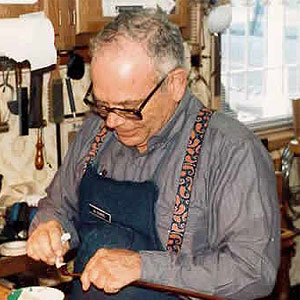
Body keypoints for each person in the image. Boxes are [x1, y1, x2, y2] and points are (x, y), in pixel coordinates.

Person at [27, 8, 280, 300]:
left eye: (128, 108)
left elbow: (253, 271)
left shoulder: (232, 151)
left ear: (175, 84)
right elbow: (58, 205)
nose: (111, 121)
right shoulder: (97, 130)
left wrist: (143, 266)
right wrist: (50, 227)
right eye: (102, 104)